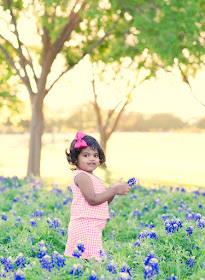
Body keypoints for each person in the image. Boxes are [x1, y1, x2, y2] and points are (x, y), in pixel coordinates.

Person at [64, 131, 131, 261]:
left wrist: (113, 190)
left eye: (95, 155)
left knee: (88, 262)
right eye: (86, 155)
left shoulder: (92, 177)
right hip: (85, 225)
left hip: (92, 225)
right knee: (95, 262)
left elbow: (103, 201)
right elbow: (93, 200)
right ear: (76, 158)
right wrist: (113, 190)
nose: (92, 158)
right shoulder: (82, 176)